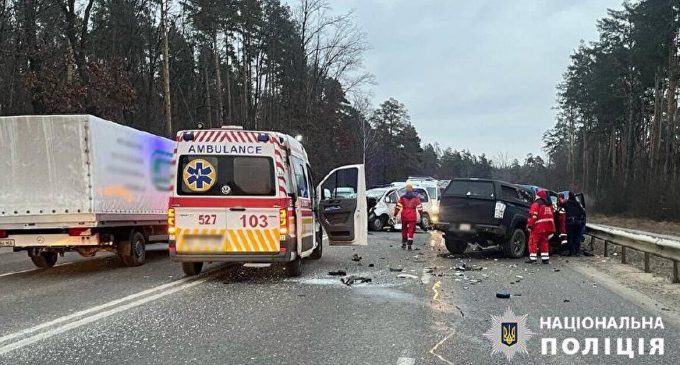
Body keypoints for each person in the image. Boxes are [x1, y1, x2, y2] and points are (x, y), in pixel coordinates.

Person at [526, 189, 555, 264]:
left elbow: (533, 216)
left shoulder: (536, 204)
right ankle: (545, 259)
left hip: (538, 227)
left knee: (533, 242)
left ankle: (533, 258)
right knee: (544, 242)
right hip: (547, 227)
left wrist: (530, 225)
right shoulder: (548, 205)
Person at [394, 184, 423, 250]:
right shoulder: (416, 198)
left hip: (404, 215)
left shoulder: (402, 197)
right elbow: (419, 207)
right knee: (411, 230)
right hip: (412, 215)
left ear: (406, 189)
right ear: (412, 189)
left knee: (404, 229)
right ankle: (409, 245)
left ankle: (404, 243)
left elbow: (398, 207)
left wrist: (395, 214)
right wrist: (421, 214)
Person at [563, 192, 586, 256]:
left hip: (570, 223)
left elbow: (560, 209)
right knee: (577, 237)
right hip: (578, 223)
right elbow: (583, 212)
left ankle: (571, 251)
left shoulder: (566, 203)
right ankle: (577, 251)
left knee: (570, 237)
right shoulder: (577, 204)